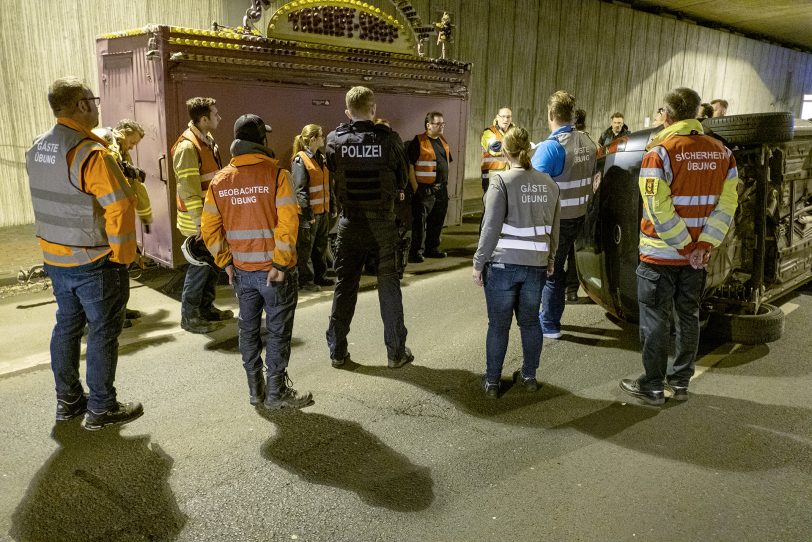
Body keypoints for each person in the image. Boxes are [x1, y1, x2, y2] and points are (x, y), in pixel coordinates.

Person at [26, 77, 143, 430]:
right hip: (94, 260)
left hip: (55, 258)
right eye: (92, 99)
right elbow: (120, 206)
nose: (96, 105)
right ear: (81, 105)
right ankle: (103, 409)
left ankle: (69, 402)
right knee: (103, 332)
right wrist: (123, 256)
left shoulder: (37, 148)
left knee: (66, 327)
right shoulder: (90, 154)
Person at [619, 87, 739, 406]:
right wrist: (704, 245)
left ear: (668, 116)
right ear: (697, 113)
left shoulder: (660, 152)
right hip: (697, 260)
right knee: (688, 316)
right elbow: (727, 205)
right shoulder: (723, 153)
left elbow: (658, 207)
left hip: (660, 255)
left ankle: (654, 385)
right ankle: (681, 382)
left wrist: (685, 246)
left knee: (656, 320)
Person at [201, 114, 313, 410]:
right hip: (276, 273)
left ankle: (255, 390)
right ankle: (276, 392)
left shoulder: (220, 181)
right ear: (261, 140)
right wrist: (279, 263)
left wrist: (225, 262)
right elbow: (288, 223)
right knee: (277, 331)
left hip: (241, 272)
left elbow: (208, 229)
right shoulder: (277, 174)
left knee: (248, 330)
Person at [325, 86, 413, 369]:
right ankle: (396, 353)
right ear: (373, 110)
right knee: (388, 285)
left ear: (348, 112)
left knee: (345, 285)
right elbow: (401, 178)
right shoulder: (390, 140)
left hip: (350, 223)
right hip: (382, 223)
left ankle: (338, 352)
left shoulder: (334, 140)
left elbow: (333, 170)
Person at [473, 126, 560, 398]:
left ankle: (492, 382)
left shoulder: (501, 181)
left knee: (498, 326)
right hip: (536, 265)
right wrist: (551, 258)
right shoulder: (549, 183)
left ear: (506, 151)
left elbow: (490, 227)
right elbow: (554, 228)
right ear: (529, 150)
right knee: (531, 322)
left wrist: (478, 263)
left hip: (503, 266)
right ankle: (529, 377)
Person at [531, 91, 597, 339]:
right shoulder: (587, 142)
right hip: (580, 216)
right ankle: (553, 316)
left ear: (550, 115)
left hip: (556, 222)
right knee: (566, 269)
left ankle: (548, 324)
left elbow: (531, 186)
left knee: (551, 273)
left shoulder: (551, 147)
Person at [171, 96, 233, 334]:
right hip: (198, 221)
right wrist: (200, 224)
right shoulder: (188, 146)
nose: (219, 117)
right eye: (215, 114)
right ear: (204, 119)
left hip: (211, 217)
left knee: (210, 266)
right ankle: (190, 316)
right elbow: (187, 188)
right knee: (199, 267)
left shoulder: (206, 141)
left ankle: (206, 308)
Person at [93, 119, 152, 327]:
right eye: (132, 142)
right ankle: (111, 315)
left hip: (119, 217)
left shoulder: (119, 149)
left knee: (120, 269)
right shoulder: (107, 142)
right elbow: (110, 172)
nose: (132, 147)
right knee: (111, 271)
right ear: (124, 132)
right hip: (107, 218)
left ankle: (120, 310)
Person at [291, 123, 335, 292]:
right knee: (306, 249)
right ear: (314, 139)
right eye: (321, 136)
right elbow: (300, 190)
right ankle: (306, 281)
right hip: (309, 214)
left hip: (322, 212)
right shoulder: (300, 160)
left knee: (320, 246)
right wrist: (308, 214)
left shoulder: (321, 158)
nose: (323, 138)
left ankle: (320, 276)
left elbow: (327, 185)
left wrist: (332, 205)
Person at [408, 111, 452, 262]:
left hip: (441, 189)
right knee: (419, 224)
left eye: (443, 124)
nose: (441, 126)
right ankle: (415, 252)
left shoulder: (443, 141)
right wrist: (416, 189)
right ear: (428, 125)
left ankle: (432, 248)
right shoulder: (419, 141)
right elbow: (410, 166)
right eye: (438, 124)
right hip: (424, 189)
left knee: (437, 220)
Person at [480, 107, 514, 193]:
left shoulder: (514, 131)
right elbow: (495, 148)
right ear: (497, 117)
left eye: (508, 117)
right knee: (492, 205)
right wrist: (516, 146)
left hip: (509, 175)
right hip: (492, 176)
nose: (505, 119)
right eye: (503, 116)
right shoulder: (489, 132)